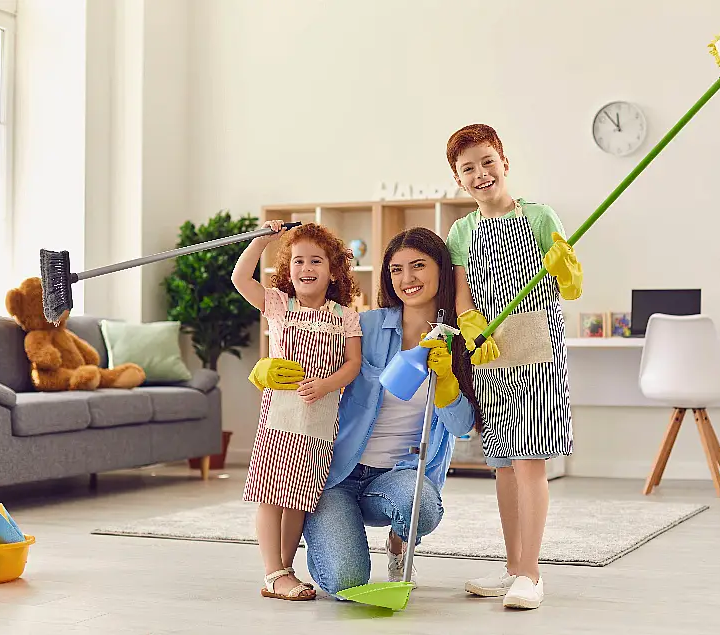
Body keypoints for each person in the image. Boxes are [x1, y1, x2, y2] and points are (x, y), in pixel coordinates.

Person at [444, 123, 583, 609]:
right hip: (488, 355)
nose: (480, 174)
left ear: (504, 161)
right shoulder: (460, 230)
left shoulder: (542, 216)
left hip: (535, 353)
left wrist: (567, 267)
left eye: (487, 162)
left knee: (529, 466)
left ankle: (532, 572)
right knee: (502, 467)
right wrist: (469, 323)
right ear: (458, 180)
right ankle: (513, 568)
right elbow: (461, 292)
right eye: (468, 169)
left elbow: (568, 286)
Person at [301, 227, 480, 598]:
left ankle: (398, 544)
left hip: (399, 477)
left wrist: (445, 379)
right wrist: (271, 370)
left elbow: (462, 426)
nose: (407, 278)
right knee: (346, 583)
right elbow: (308, 355)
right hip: (337, 476)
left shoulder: (459, 340)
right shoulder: (365, 326)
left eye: (418, 266)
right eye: (396, 270)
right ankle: (331, 532)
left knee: (423, 507)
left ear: (442, 270)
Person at [232, 221, 363, 601]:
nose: (307, 268)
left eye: (316, 261)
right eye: (299, 261)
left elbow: (353, 364)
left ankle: (284, 571)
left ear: (333, 270)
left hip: (319, 424)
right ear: (288, 269)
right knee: (271, 496)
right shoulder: (277, 304)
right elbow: (240, 278)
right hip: (279, 420)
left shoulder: (345, 316)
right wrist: (260, 241)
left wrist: (326, 384)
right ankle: (273, 571)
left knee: (299, 501)